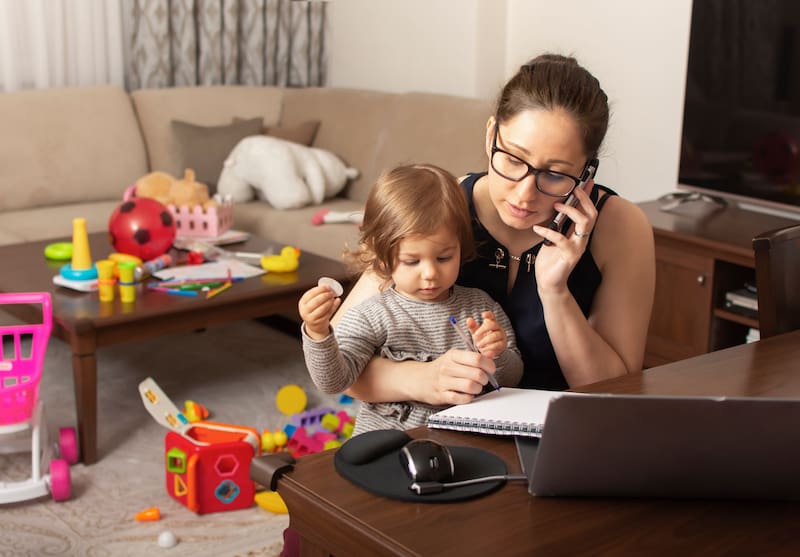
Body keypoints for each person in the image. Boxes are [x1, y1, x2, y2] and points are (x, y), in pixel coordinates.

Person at [336, 53, 656, 406]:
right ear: (491, 136)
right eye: (513, 159)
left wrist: (554, 292)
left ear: (587, 174)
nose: (524, 193)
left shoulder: (621, 227)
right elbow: (335, 361)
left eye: (554, 174)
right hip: (440, 432)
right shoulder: (442, 204)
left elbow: (615, 396)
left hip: (561, 434)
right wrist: (421, 379)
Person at [298, 163, 523, 435]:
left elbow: (510, 379)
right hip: (386, 448)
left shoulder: (480, 306)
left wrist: (497, 354)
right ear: (383, 257)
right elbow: (334, 381)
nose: (429, 274)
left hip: (464, 445)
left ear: (461, 247)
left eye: (444, 257)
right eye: (411, 261)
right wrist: (318, 332)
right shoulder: (371, 315)